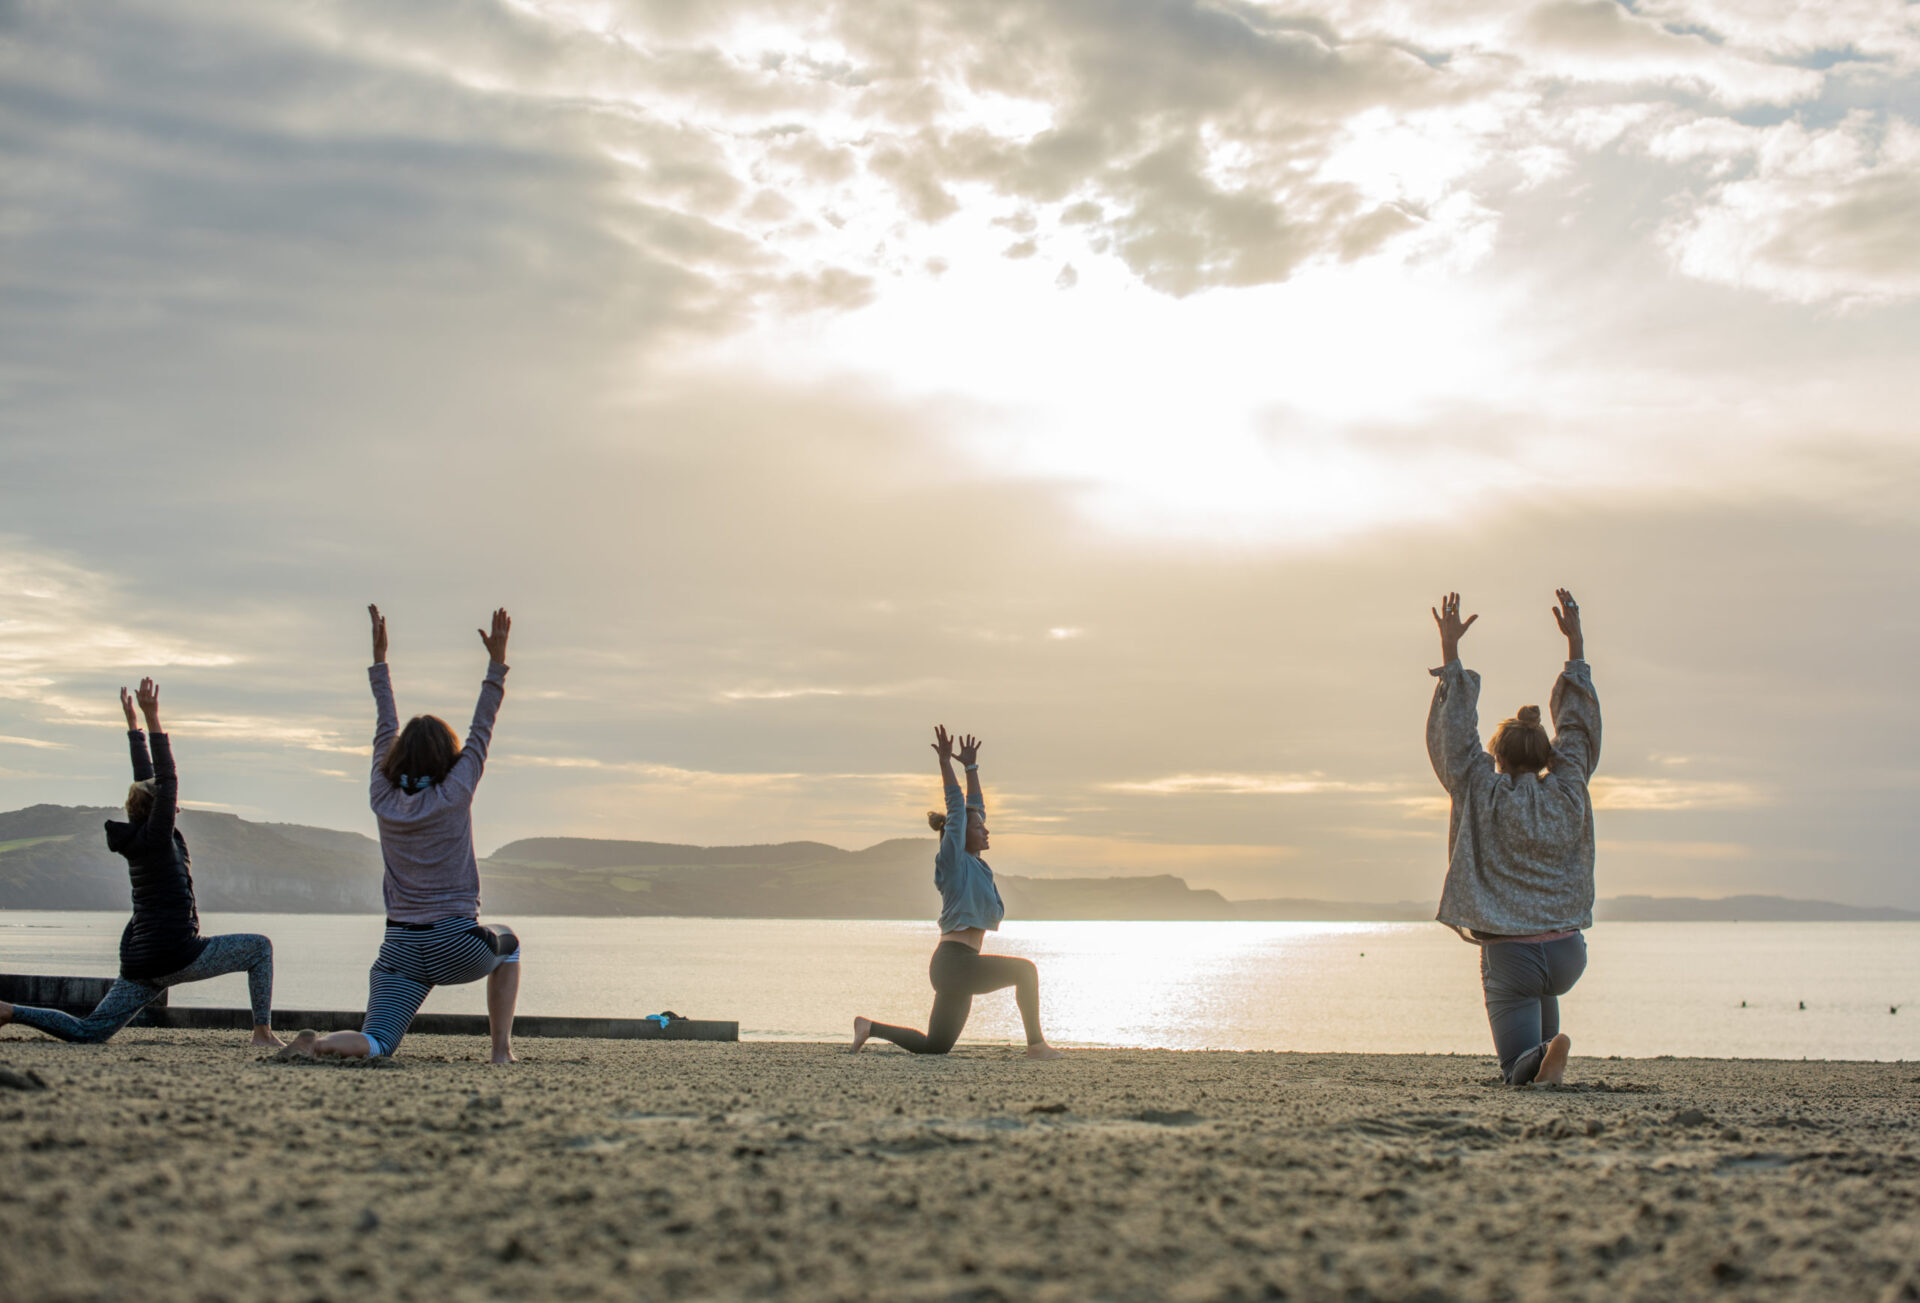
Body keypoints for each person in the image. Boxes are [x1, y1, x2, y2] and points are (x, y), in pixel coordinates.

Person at [279, 605, 521, 1065]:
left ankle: (320, 1044)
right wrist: (497, 664)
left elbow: (384, 727)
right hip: (456, 945)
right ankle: (500, 1052)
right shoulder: (455, 792)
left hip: (399, 948)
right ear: (447, 760)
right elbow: (481, 729)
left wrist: (380, 661)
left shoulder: (382, 796)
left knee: (378, 1043)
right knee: (509, 945)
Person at [0, 679, 283, 1048]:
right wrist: (153, 718)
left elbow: (147, 779)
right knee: (259, 948)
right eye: (167, 801)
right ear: (159, 808)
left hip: (142, 961)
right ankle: (262, 1034)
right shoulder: (157, 838)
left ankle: (9, 1011)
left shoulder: (140, 838)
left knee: (92, 1031)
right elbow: (166, 778)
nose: (176, 803)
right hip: (176, 953)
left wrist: (133, 726)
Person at [1427, 589, 1600, 1086]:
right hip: (1568, 951)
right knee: (1541, 1032)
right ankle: (1550, 1052)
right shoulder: (1567, 789)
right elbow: (1578, 730)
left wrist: (1451, 656)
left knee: (1515, 1068)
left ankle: (1536, 1062)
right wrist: (1576, 648)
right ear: (1548, 756)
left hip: (1512, 953)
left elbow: (1455, 739)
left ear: (1497, 755)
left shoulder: (1481, 788)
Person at [852, 726, 1064, 1059]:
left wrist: (972, 768)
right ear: (962, 834)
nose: (986, 829)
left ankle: (869, 1027)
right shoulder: (953, 863)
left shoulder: (977, 865)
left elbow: (974, 807)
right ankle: (1036, 1045)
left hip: (961, 967)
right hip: (954, 965)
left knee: (935, 1047)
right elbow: (958, 810)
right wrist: (944, 762)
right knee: (1026, 972)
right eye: (979, 828)